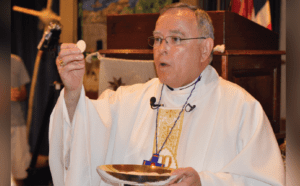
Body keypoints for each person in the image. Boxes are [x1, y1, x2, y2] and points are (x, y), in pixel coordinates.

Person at [49, 3, 285, 186]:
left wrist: (205, 182)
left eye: (175, 39)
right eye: (158, 39)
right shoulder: (128, 99)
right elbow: (82, 132)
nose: (162, 48)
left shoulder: (240, 108)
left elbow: (265, 180)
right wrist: (73, 91)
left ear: (205, 48)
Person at [11, 54, 31, 186]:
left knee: (19, 172)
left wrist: (19, 94)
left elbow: (24, 93)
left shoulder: (16, 61)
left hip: (16, 123)